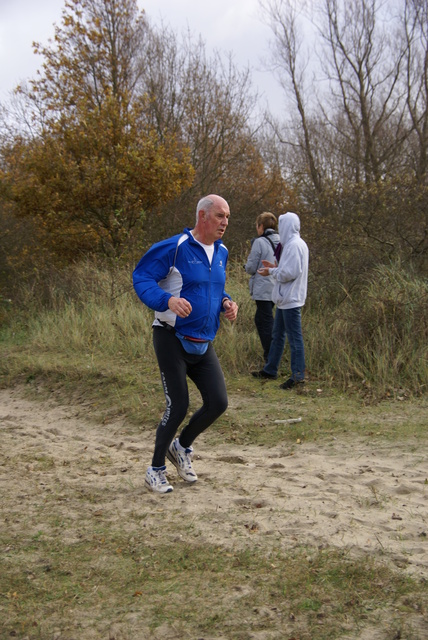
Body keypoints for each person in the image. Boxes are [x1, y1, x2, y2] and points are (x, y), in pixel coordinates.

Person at [133, 195, 239, 494]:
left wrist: (227, 302)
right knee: (178, 405)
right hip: (170, 337)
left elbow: (213, 287)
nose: (225, 222)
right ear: (203, 216)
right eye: (220, 216)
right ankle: (155, 470)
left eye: (227, 217)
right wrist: (167, 300)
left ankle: (181, 447)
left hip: (203, 341)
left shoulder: (221, 251)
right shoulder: (175, 247)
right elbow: (141, 277)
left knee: (218, 402)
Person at [252, 211, 309, 389]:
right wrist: (275, 267)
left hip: (291, 299)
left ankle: (298, 375)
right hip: (286, 299)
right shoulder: (293, 244)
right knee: (277, 336)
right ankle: (270, 369)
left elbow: (290, 273)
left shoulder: (294, 245)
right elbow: (287, 268)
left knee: (294, 339)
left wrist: (271, 272)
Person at [244, 212, 280, 362]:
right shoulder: (281, 240)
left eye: (257, 226)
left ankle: (271, 359)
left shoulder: (259, 242)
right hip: (277, 288)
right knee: (263, 319)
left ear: (261, 226)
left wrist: (245, 266)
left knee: (264, 322)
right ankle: (271, 357)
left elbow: (251, 267)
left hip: (263, 288)